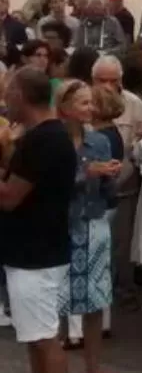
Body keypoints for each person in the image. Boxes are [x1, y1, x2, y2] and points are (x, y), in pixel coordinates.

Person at [0, 68, 78, 373]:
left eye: (8, 94)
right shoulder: (43, 137)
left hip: (36, 255)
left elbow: (9, 197)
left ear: (21, 95)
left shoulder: (45, 140)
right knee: (36, 337)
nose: (5, 102)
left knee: (45, 338)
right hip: (34, 252)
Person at [56, 80, 120, 372]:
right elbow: (47, 185)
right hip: (57, 228)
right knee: (55, 302)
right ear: (65, 108)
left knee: (95, 302)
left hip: (93, 225)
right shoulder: (51, 141)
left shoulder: (100, 142)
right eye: (84, 103)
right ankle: (55, 364)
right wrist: (85, 173)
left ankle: (92, 368)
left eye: (91, 103)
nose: (91, 109)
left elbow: (108, 193)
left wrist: (110, 176)